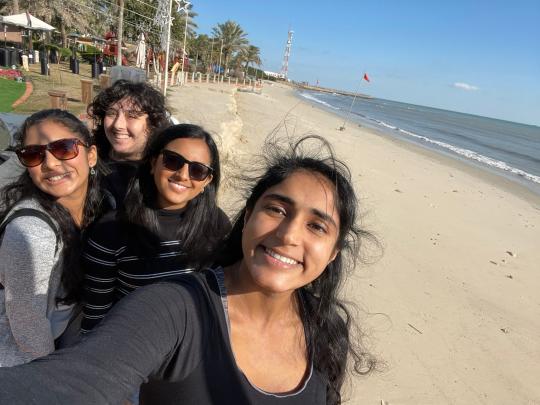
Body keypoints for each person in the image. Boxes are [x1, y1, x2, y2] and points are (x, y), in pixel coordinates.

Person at [0, 135, 376, 404]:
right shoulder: (173, 307)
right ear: (247, 219)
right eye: (276, 209)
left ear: (332, 254)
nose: (288, 234)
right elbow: (76, 380)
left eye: (317, 226)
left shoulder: (326, 328)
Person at [81, 124, 231, 332]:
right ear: (153, 163)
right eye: (173, 161)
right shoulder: (111, 230)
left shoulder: (217, 224)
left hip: (193, 344)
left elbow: (221, 298)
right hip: (131, 344)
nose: (183, 175)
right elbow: (96, 314)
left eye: (198, 170)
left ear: (207, 181)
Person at [0, 109, 106, 367]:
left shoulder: (95, 209)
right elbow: (29, 330)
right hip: (19, 365)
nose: (49, 163)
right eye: (33, 154)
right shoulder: (31, 232)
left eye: (64, 148)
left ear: (91, 156)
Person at [87, 79, 172, 206]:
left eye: (132, 115)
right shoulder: (87, 158)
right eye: (111, 113)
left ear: (153, 124)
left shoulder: (164, 172)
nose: (118, 125)